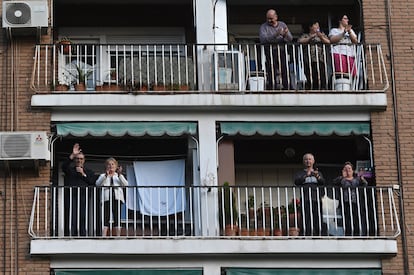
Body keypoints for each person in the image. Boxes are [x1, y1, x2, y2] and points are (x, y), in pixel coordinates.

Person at [62, 143, 96, 236]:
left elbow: (92, 181)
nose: (79, 160)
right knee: (71, 215)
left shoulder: (89, 172)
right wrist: (72, 155)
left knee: (83, 216)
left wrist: (83, 174)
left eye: (81, 159)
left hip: (83, 196)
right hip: (71, 196)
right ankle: (71, 234)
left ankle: (83, 234)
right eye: (77, 159)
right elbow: (64, 166)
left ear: (84, 160)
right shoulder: (70, 170)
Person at [259, 9, 293, 90]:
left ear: (276, 17)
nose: (269, 20)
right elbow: (263, 40)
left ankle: (287, 86)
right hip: (270, 51)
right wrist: (276, 34)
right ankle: (272, 87)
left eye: (271, 18)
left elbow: (290, 38)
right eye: (268, 18)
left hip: (281, 50)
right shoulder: (264, 27)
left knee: (284, 69)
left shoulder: (282, 24)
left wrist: (285, 35)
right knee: (271, 69)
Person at [294, 153, 326, 236]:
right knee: (306, 217)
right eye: (306, 159)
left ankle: (319, 234)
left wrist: (317, 176)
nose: (308, 161)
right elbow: (297, 182)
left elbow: (323, 182)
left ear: (313, 161)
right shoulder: (300, 173)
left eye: (310, 159)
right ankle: (306, 234)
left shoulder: (318, 172)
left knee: (317, 216)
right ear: (304, 162)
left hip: (316, 198)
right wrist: (306, 175)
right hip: (305, 198)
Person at [95, 157, 128, 236]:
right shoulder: (103, 175)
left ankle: (118, 235)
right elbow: (98, 184)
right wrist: (106, 175)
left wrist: (120, 175)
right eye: (109, 164)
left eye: (113, 164)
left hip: (117, 198)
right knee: (106, 216)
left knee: (117, 216)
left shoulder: (118, 176)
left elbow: (126, 184)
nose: (111, 166)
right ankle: (104, 235)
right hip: (106, 199)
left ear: (116, 166)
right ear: (106, 166)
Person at [333, 161, 368, 236]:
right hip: (345, 202)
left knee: (356, 218)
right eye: (345, 169)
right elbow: (334, 182)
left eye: (349, 168)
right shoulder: (341, 179)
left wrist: (362, 178)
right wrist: (343, 176)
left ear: (352, 170)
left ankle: (356, 234)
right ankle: (348, 234)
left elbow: (365, 184)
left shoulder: (357, 179)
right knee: (347, 218)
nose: (347, 170)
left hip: (355, 202)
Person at [298, 20, 330, 90]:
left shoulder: (322, 35)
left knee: (321, 76)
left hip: (320, 59)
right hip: (308, 60)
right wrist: (310, 37)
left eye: (318, 25)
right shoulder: (305, 35)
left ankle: (322, 89)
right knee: (310, 76)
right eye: (315, 25)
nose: (317, 27)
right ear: (310, 27)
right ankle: (312, 89)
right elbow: (300, 41)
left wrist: (321, 37)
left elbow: (328, 42)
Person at [329, 15, 358, 80]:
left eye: (347, 19)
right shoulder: (334, 30)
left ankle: (351, 87)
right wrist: (344, 32)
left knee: (352, 73)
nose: (347, 20)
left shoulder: (351, 31)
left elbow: (355, 41)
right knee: (341, 73)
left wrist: (349, 32)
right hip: (338, 52)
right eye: (345, 18)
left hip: (350, 54)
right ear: (340, 21)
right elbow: (332, 40)